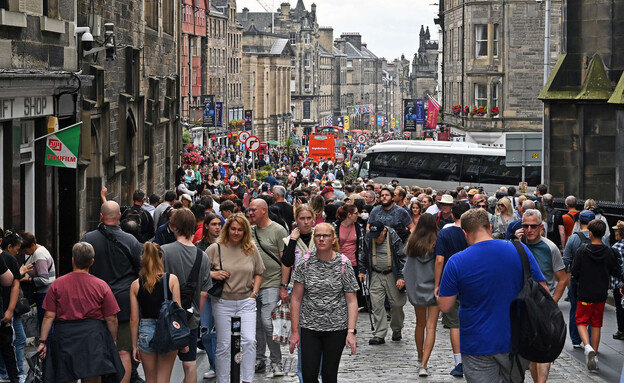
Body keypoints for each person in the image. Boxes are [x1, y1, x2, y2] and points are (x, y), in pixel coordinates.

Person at [438, 209, 546, 382]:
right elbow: (543, 291)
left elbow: (444, 306)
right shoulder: (520, 250)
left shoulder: (456, 261)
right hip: (516, 341)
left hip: (477, 343)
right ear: (489, 227)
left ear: (465, 233)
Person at [38, 242, 125, 383]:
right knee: (93, 376)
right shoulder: (101, 285)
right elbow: (112, 318)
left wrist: (43, 341)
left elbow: (49, 315)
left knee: (66, 375)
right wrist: (112, 339)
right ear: (92, 262)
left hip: (65, 337)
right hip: (93, 338)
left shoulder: (57, 284)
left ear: (73, 260)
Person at [289, 223, 359, 383]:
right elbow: (296, 298)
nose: (321, 239)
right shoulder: (305, 264)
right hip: (309, 327)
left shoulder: (343, 264)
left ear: (333, 239)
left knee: (329, 375)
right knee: (308, 375)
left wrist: (351, 331)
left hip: (336, 328)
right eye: (318, 235)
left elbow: (351, 300)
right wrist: (294, 331)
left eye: (325, 235)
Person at [81, 200, 143, 382]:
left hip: (95, 302)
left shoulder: (87, 240)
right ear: (120, 217)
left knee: (96, 352)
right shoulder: (131, 241)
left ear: (101, 216)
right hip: (123, 302)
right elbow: (141, 271)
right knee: (124, 351)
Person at [206, 214, 265, 383]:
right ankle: (223, 380)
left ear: (245, 231)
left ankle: (247, 379)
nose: (236, 232)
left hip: (246, 300)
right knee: (224, 345)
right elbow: (201, 271)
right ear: (227, 229)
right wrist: (214, 273)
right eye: (233, 229)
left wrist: (254, 293)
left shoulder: (251, 249)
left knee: (248, 340)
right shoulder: (215, 248)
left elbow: (259, 272)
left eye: (240, 229)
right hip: (223, 301)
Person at [514, 209, 568, 382]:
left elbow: (562, 279)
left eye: (533, 226)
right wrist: (515, 240)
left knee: (543, 348)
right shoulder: (518, 244)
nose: (529, 230)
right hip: (523, 304)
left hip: (543, 306)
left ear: (541, 226)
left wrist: (552, 301)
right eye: (525, 226)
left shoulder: (550, 248)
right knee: (531, 351)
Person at [161, 208, 212, 383]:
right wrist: (196, 315)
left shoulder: (163, 252)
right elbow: (204, 292)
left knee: (164, 365)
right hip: (190, 317)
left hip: (166, 317)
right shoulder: (202, 257)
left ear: (173, 227)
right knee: (190, 364)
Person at [129, 242, 186, 383]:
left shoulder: (136, 284)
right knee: (163, 379)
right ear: (161, 258)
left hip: (145, 332)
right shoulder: (172, 280)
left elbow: (134, 319)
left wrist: (134, 345)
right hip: (167, 330)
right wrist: (182, 340)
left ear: (143, 260)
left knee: (150, 379)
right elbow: (177, 312)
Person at [571, 219, 622, 371]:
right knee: (596, 324)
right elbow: (616, 272)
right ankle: (595, 355)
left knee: (581, 321)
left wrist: (575, 290)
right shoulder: (610, 252)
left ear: (590, 233)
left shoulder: (582, 251)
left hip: (585, 293)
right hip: (600, 295)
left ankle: (587, 347)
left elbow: (575, 273)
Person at [248, 199, 289, 376]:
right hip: (251, 285)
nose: (250, 213)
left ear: (264, 210)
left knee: (267, 322)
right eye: (249, 210)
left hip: (272, 282)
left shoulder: (279, 231)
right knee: (256, 324)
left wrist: (283, 286)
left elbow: (285, 261)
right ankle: (259, 359)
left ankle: (276, 361)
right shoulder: (249, 231)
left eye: (253, 210)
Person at [433, 201, 470, 377]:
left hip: (451, 280)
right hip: (471, 280)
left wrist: (437, 284)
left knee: (455, 324)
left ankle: (459, 362)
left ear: (453, 215)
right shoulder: (472, 233)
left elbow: (439, 260)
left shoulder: (445, 233)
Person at [403, 214, 439, 377]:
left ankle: (419, 356)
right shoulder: (437, 243)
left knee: (420, 324)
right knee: (431, 326)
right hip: (434, 288)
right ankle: (424, 363)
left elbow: (408, 269)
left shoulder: (412, 243)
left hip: (417, 288)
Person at [359, 221, 407, 345]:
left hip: (392, 273)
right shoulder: (369, 238)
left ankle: (397, 328)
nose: (375, 239)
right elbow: (363, 254)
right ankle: (379, 334)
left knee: (397, 304)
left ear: (384, 231)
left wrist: (401, 276)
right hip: (375, 273)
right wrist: (362, 270)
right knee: (376, 304)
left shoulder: (393, 237)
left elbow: (403, 257)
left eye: (377, 236)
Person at [195, 212, 222, 379]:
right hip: (205, 293)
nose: (217, 227)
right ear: (206, 226)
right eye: (214, 224)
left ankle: (218, 366)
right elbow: (196, 271)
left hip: (222, 294)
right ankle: (214, 364)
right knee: (205, 332)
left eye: (219, 224)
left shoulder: (226, 245)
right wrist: (213, 274)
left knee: (219, 332)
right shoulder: (199, 245)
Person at [0, 230, 25, 383]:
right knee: (14, 342)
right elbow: (11, 281)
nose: (18, 252)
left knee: (10, 343)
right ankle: (14, 374)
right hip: (4, 308)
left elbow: (14, 283)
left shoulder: (7, 259)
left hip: (4, 309)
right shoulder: (6, 258)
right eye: (17, 249)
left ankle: (14, 375)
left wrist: (10, 310)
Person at [18, 231, 55, 329]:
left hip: (44, 294)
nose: (23, 252)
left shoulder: (39, 254)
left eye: (25, 249)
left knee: (46, 325)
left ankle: (47, 344)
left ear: (33, 245)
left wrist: (27, 279)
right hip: (44, 293)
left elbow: (44, 279)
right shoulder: (38, 251)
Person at [334, 204, 366, 309]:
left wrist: (362, 270)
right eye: (356, 213)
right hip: (338, 264)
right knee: (338, 291)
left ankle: (351, 315)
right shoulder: (335, 226)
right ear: (349, 214)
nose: (358, 215)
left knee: (352, 292)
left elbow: (361, 249)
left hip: (353, 264)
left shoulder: (359, 227)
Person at [611, 220, 624, 341]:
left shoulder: (616, 247)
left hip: (618, 282)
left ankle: (621, 330)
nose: (615, 232)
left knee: (619, 307)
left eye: (616, 230)